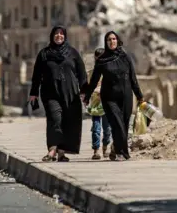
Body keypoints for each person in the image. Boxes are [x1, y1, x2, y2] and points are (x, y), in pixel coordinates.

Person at [29, 25, 87, 162]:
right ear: (52, 36)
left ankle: (61, 152)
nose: (59, 36)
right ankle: (52, 150)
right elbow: (36, 75)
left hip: (70, 93)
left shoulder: (73, 53)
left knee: (68, 121)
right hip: (50, 93)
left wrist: (85, 92)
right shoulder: (44, 54)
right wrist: (33, 93)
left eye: (61, 34)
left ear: (65, 36)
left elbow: (82, 74)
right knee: (55, 119)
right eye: (56, 33)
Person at [82, 31, 142, 161]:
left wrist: (139, 95)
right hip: (109, 97)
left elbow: (133, 77)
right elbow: (94, 80)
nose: (112, 41)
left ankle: (119, 151)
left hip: (126, 96)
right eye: (109, 39)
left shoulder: (125, 57)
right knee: (117, 123)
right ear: (106, 42)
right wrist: (87, 96)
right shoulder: (102, 60)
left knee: (124, 124)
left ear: (117, 40)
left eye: (114, 39)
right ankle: (121, 152)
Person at [86, 48, 112, 160]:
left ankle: (105, 146)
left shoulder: (110, 71)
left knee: (107, 130)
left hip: (107, 104)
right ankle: (96, 150)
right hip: (96, 105)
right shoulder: (91, 73)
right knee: (96, 129)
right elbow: (87, 87)